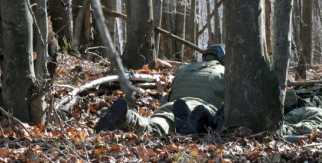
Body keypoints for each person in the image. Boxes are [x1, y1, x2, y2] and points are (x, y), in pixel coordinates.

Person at [95, 45, 226, 135]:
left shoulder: (184, 69)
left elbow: (167, 97)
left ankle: (128, 117)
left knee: (154, 125)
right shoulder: (226, 72)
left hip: (174, 105)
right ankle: (191, 125)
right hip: (203, 106)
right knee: (204, 119)